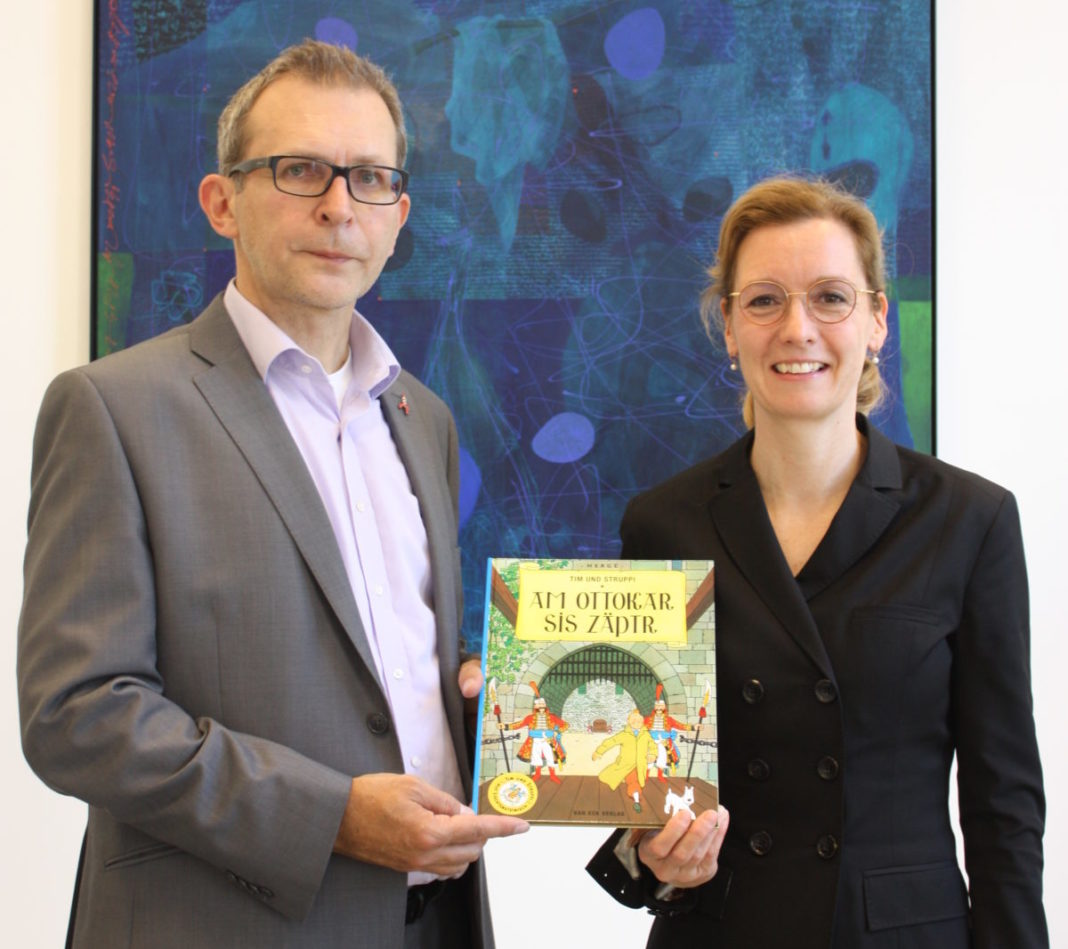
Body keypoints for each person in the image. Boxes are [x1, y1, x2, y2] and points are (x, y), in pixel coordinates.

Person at [17, 40, 528, 949]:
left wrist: (480, 696)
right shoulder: (113, 407)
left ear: (399, 215)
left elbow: (386, 655)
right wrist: (331, 815)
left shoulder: (425, 419)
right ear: (223, 202)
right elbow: (78, 713)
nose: (339, 205)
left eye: (370, 178)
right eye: (300, 170)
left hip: (435, 923)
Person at [587, 176, 1047, 947]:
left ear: (876, 320)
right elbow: (643, 781)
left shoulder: (971, 520)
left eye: (831, 297)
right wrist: (653, 853)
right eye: (765, 300)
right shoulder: (663, 523)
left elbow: (1005, 807)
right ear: (729, 326)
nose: (797, 328)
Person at [593, 708, 658, 813]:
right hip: (626, 764)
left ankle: (635, 796)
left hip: (640, 765)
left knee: (637, 781)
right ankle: (635, 801)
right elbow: (610, 742)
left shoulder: (646, 734)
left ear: (642, 722)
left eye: (639, 721)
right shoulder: (624, 735)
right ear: (629, 722)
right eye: (634, 721)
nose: (636, 723)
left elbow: (653, 745)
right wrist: (599, 752)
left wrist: (653, 754)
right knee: (632, 782)